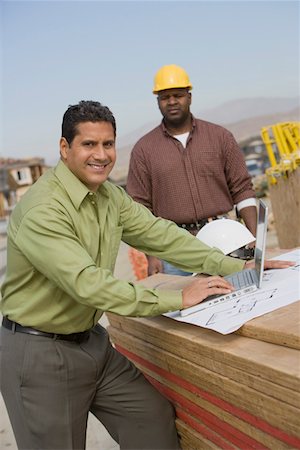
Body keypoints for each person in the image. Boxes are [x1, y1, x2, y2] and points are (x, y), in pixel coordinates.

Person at [0, 100, 292, 450]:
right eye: (88, 144)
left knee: (150, 419)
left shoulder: (108, 195)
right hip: (40, 353)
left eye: (108, 144)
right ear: (65, 148)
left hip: (91, 341)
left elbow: (160, 235)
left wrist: (236, 265)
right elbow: (89, 285)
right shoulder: (43, 210)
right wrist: (177, 297)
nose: (101, 154)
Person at [126, 64, 258, 276]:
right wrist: (152, 256)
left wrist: (255, 237)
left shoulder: (219, 137)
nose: (172, 102)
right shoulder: (144, 150)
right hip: (174, 250)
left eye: (177, 95)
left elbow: (242, 189)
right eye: (164, 97)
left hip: (227, 240)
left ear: (189, 96)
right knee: (187, 308)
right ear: (157, 101)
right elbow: (139, 209)